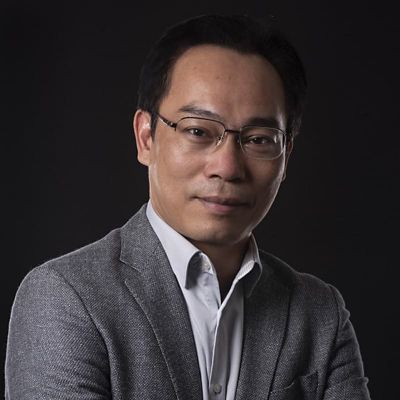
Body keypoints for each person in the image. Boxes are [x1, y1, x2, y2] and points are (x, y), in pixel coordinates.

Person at [5, 14, 371, 400]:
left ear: (286, 156)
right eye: (198, 131)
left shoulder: (320, 314)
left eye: (260, 139)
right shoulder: (67, 298)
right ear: (146, 137)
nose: (227, 167)